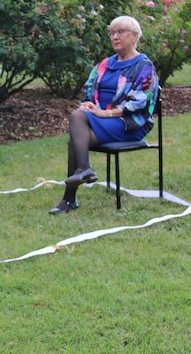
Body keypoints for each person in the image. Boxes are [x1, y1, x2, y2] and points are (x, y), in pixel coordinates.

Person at [49, 16, 159, 215]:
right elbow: (89, 90)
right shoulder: (104, 64)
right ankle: (80, 177)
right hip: (101, 119)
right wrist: (88, 103)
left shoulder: (144, 66)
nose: (115, 37)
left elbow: (140, 101)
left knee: (76, 123)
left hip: (129, 124)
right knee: (78, 123)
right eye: (112, 33)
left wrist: (105, 113)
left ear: (135, 36)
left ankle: (71, 194)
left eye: (121, 32)